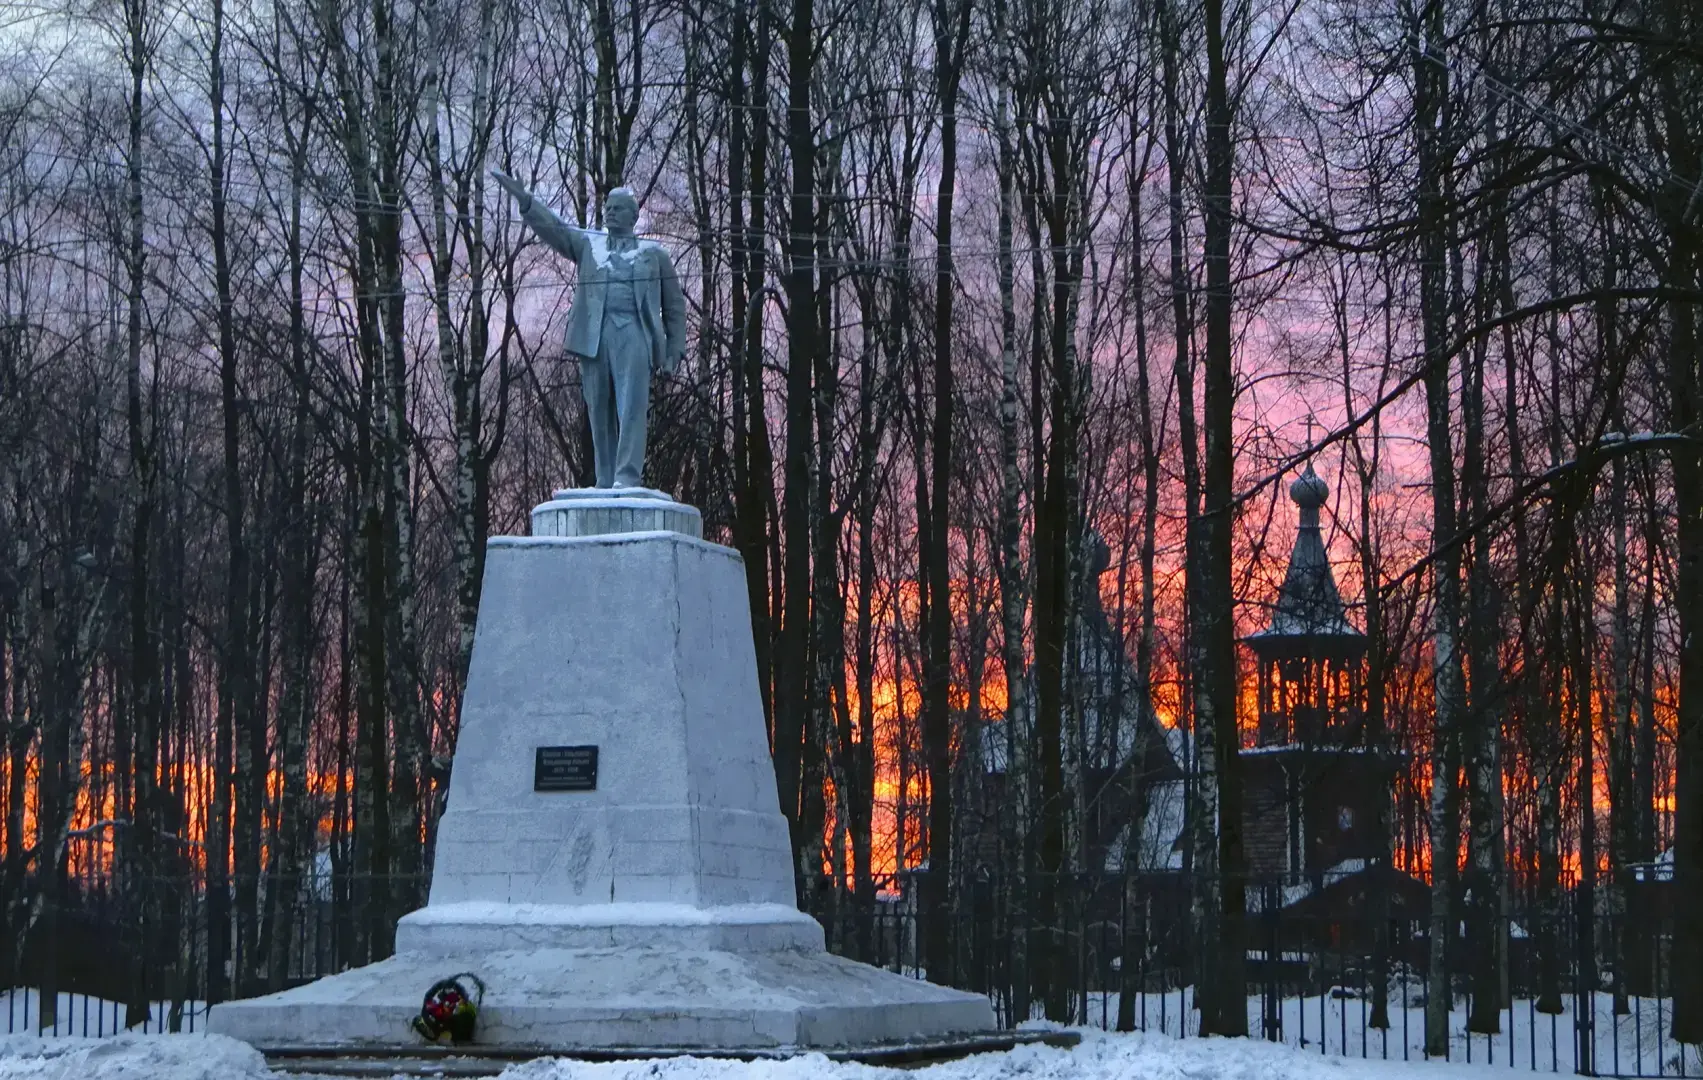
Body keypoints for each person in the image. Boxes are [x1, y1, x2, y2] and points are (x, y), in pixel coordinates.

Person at [492, 170, 685, 488]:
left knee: (632, 406)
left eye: (618, 208)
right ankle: (605, 478)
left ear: (634, 216)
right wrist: (526, 202)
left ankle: (627, 476)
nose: (609, 212)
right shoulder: (589, 245)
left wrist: (673, 351)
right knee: (598, 408)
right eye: (607, 207)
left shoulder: (654, 254)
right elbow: (556, 230)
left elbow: (674, 308)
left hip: (635, 333)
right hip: (595, 335)